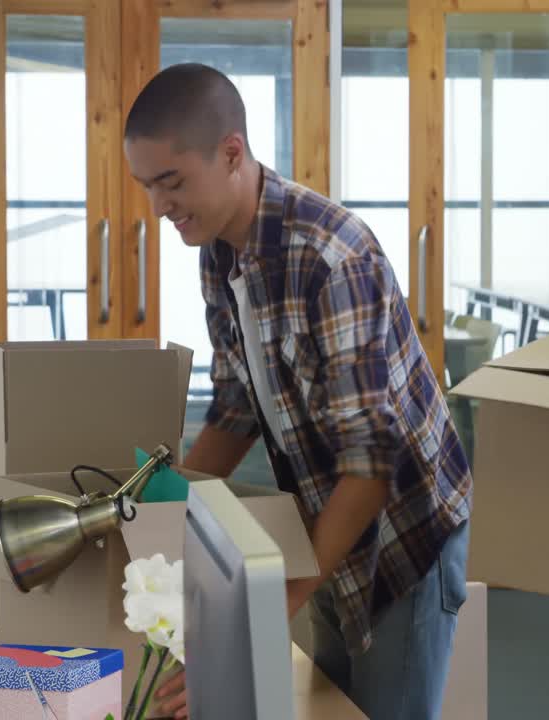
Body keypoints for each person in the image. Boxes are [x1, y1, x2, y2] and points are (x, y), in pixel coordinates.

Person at [121, 63, 472, 720]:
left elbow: (370, 468)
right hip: (324, 512)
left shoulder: (331, 256)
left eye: (171, 182)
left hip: (403, 530)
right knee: (331, 703)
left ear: (231, 154)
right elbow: (234, 409)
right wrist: (159, 511)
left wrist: (255, 619)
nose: (158, 207)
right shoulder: (218, 252)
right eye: (146, 186)